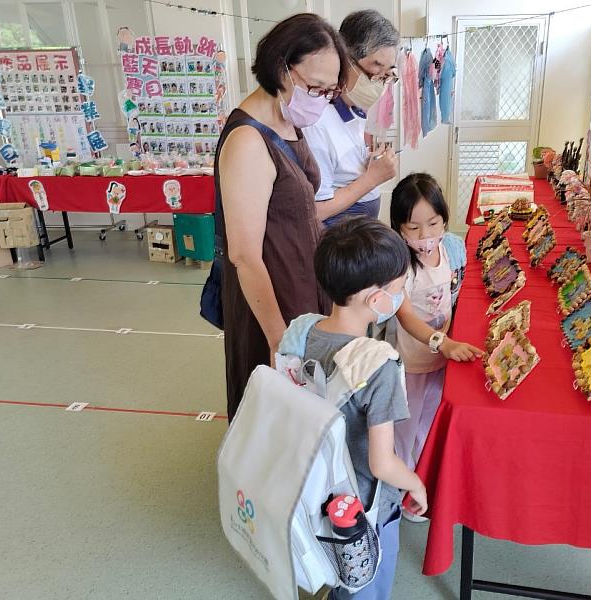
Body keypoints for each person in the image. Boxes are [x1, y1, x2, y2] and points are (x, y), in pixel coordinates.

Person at [215, 13, 348, 419]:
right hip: (273, 294)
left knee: (309, 410)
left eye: (329, 91)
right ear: (281, 68)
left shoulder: (289, 119)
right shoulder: (247, 142)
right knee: (279, 409)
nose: (321, 100)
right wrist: (279, 339)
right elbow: (244, 255)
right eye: (315, 87)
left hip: (305, 281)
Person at [294, 217, 427, 599]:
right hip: (364, 508)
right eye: (399, 290)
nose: (399, 298)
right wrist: (416, 484)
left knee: (336, 575)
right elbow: (381, 464)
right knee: (366, 584)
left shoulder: (304, 332)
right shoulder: (379, 365)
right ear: (376, 300)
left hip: (315, 491)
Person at [389, 173, 483, 515]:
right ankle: (399, 494)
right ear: (399, 228)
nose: (425, 235)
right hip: (412, 362)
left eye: (433, 222)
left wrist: (449, 340)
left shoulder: (450, 249)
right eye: (413, 227)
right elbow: (405, 316)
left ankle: (421, 482)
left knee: (428, 422)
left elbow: (453, 296)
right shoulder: (400, 265)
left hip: (442, 359)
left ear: (445, 217)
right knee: (404, 428)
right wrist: (441, 342)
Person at [302, 10, 399, 227]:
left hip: (358, 233)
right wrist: (372, 178)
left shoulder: (354, 108)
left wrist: (371, 163)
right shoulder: (317, 121)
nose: (380, 84)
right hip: (338, 241)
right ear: (345, 60)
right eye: (375, 71)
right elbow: (316, 211)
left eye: (387, 75)